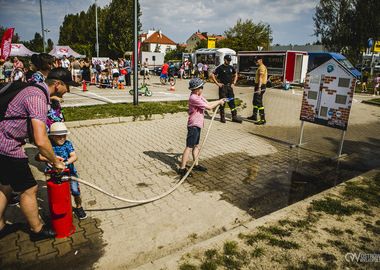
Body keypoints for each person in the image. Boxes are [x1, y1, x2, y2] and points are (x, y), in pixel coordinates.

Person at [0, 67, 79, 241]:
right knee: (29, 188)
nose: (69, 90)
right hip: (8, 146)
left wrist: (52, 98)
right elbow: (41, 140)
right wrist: (56, 162)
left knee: (6, 185)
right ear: (57, 84)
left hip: (2, 143)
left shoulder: (35, 90)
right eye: (68, 86)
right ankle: (37, 230)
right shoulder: (37, 99)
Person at [37, 122, 87, 220]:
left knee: (75, 191)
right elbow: (39, 156)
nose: (62, 138)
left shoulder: (67, 144)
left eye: (64, 136)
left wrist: (65, 163)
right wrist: (52, 159)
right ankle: (59, 211)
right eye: (58, 136)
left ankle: (79, 207)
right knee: (57, 195)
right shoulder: (48, 146)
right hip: (54, 175)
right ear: (52, 137)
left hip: (70, 173)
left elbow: (74, 156)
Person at [178, 78, 225, 177]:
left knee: (196, 146)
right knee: (189, 147)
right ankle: (182, 168)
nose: (202, 89)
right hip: (193, 126)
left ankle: (196, 164)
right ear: (196, 89)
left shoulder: (199, 96)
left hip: (198, 125)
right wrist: (219, 103)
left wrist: (220, 100)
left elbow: (208, 104)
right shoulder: (193, 98)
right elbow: (209, 108)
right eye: (201, 87)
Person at [211, 55, 242, 123]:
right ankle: (222, 117)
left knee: (232, 102)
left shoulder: (231, 68)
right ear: (224, 59)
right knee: (222, 103)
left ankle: (234, 117)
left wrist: (234, 83)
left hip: (229, 87)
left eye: (229, 60)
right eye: (227, 60)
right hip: (223, 87)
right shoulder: (220, 68)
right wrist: (217, 83)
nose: (228, 61)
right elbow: (212, 74)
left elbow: (235, 74)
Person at [248, 56, 268, 125]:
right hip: (258, 86)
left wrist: (259, 87)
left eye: (257, 60)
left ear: (260, 60)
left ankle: (262, 119)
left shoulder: (262, 67)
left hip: (260, 86)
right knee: (255, 101)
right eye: (255, 60)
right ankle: (254, 115)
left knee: (259, 102)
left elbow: (261, 78)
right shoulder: (259, 67)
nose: (255, 62)